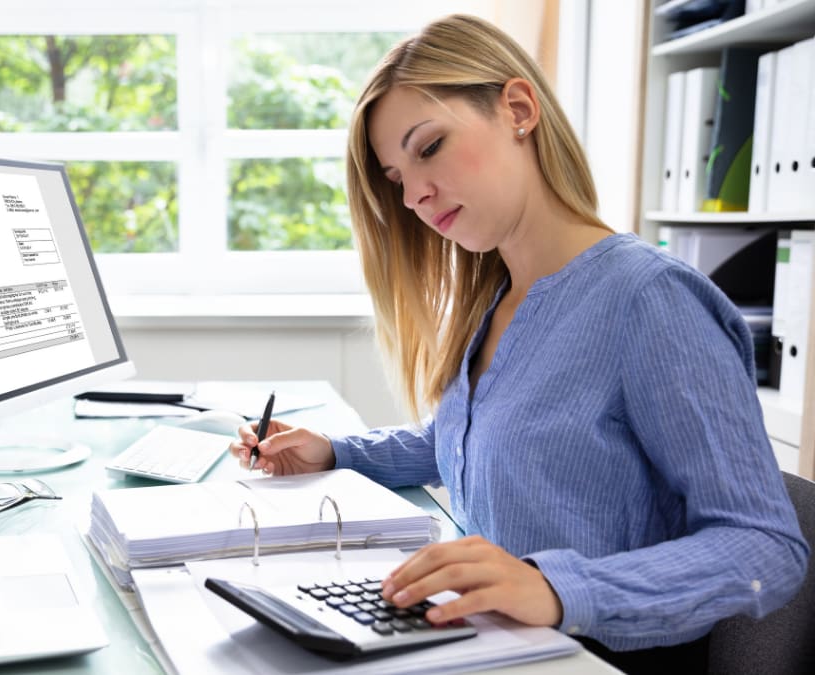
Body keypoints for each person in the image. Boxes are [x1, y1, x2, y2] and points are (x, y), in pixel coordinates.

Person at [228, 14, 808, 673]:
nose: (415, 194)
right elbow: (481, 436)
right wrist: (336, 451)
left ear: (518, 109)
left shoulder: (650, 300)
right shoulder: (498, 297)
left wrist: (559, 587)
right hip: (492, 649)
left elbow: (765, 545)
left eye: (429, 146)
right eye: (396, 177)